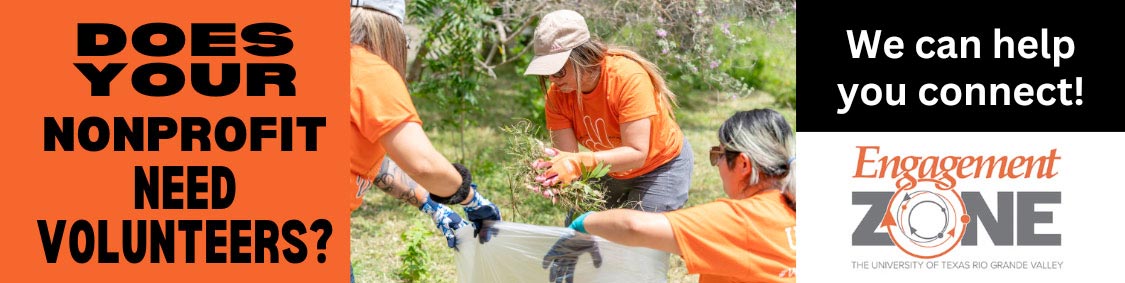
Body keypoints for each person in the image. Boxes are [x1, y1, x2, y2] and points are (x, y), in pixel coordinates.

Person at [554, 109, 798, 282]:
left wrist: (584, 221)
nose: (718, 165)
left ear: (743, 164)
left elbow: (634, 227)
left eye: (719, 155)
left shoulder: (738, 221)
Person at [349, 0, 500, 265]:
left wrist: (432, 206)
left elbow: (364, 161)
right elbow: (424, 164)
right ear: (389, 32)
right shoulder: (368, 70)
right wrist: (471, 199)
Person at [524, 10, 693, 214]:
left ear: (582, 57)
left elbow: (637, 153)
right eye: (546, 72)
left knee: (641, 234)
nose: (552, 79)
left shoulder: (627, 78)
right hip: (610, 169)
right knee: (580, 228)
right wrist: (556, 175)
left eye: (558, 70)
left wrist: (577, 163)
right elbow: (568, 158)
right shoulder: (557, 95)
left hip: (660, 164)